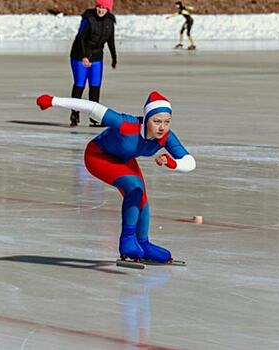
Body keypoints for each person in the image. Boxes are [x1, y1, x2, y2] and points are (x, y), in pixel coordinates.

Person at [36, 91, 196, 263]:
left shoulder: (166, 137)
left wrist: (173, 164)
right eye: (157, 121)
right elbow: (92, 107)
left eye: (167, 122)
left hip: (124, 159)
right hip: (98, 156)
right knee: (134, 187)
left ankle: (143, 243)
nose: (162, 127)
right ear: (146, 118)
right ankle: (127, 241)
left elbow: (189, 162)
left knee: (142, 199)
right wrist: (53, 101)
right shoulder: (126, 125)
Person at [69, 0, 117, 127]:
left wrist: (114, 58)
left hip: (96, 57)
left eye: (103, 8)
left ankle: (94, 117)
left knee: (95, 87)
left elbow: (111, 41)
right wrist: (84, 56)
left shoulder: (110, 22)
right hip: (79, 55)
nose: (100, 10)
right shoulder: (88, 19)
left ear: (108, 9)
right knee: (80, 85)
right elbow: (81, 39)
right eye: (98, 7)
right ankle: (74, 114)